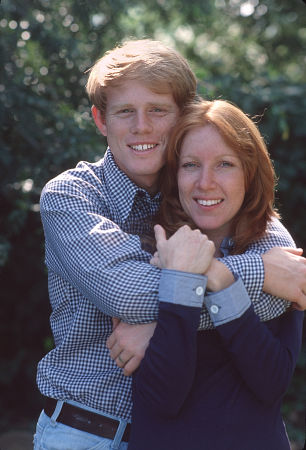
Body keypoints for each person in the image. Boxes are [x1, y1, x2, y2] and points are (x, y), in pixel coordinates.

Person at [33, 39, 306, 450]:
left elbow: (287, 290)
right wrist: (259, 273)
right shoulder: (72, 197)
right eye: (125, 112)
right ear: (100, 120)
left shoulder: (201, 192)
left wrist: (159, 326)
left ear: (182, 116)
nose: (141, 126)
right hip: (85, 433)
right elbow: (126, 295)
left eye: (157, 110)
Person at [127, 100, 304, 450]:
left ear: (250, 173)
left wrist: (215, 275)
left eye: (225, 164)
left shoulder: (277, 254)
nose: (205, 183)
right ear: (174, 174)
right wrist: (186, 286)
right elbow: (163, 397)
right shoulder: (146, 245)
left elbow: (272, 382)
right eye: (191, 165)